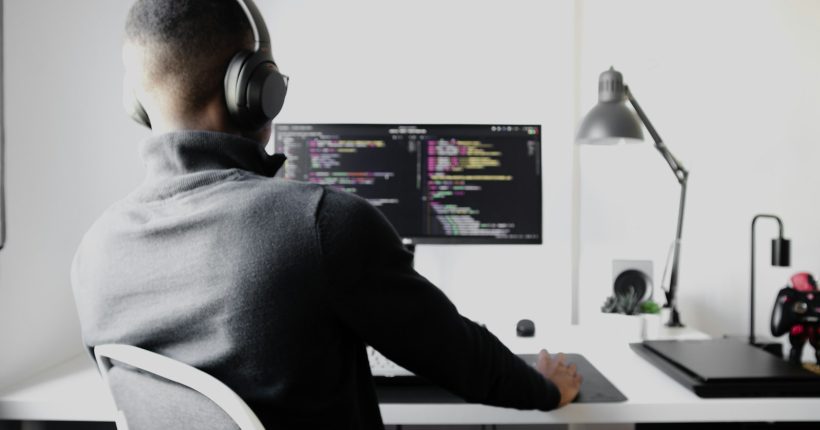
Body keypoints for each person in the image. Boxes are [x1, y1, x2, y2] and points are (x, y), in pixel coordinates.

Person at [71, 0, 582, 428]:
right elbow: (461, 359)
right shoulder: (320, 223)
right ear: (255, 90)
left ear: (136, 101)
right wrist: (544, 388)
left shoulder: (93, 254)